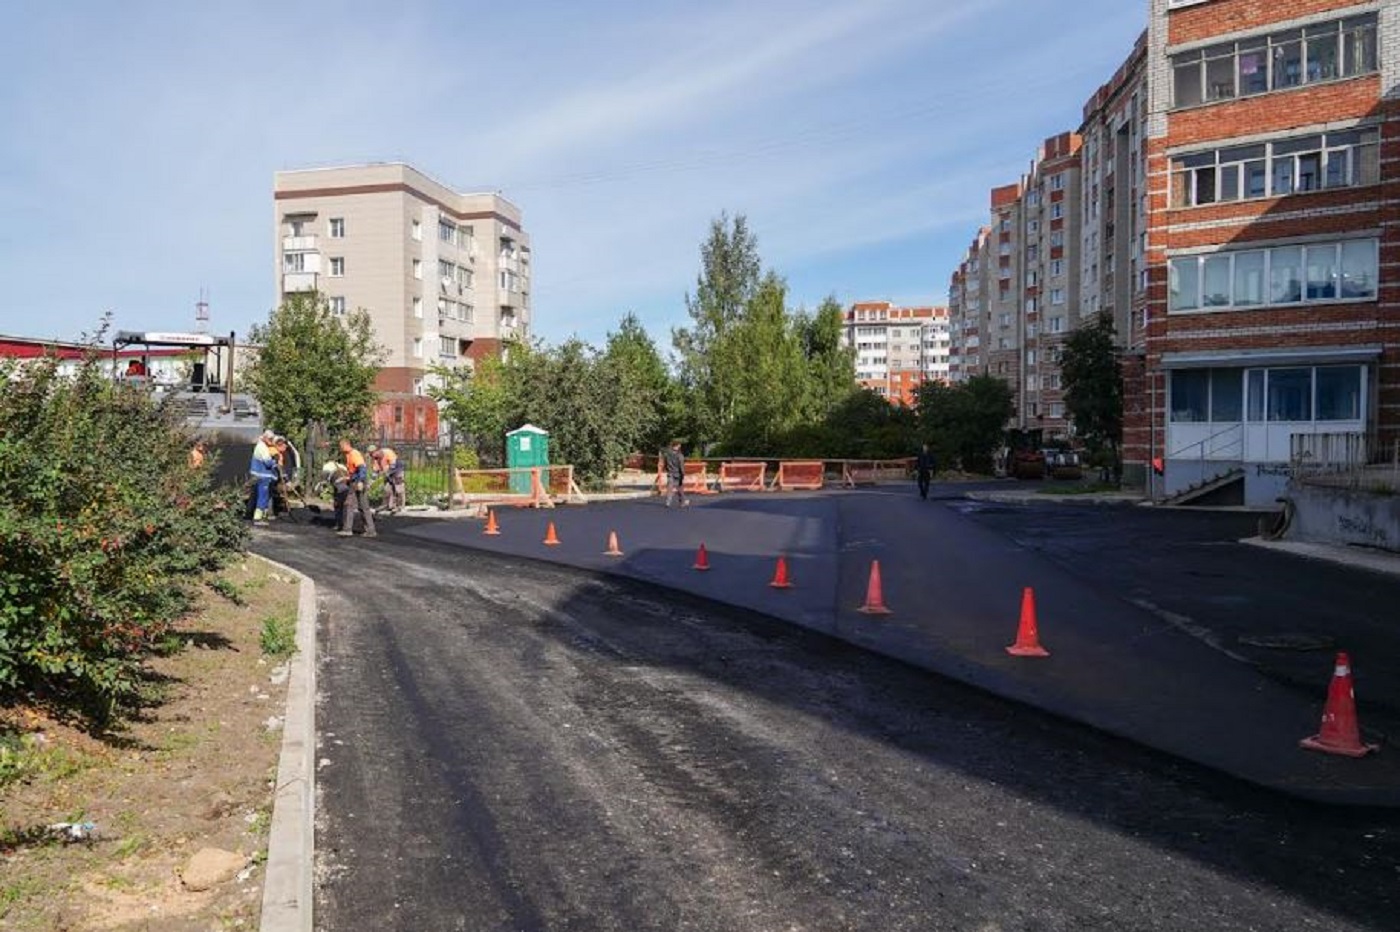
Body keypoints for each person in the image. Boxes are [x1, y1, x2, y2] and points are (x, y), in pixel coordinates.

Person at [337, 439, 377, 538]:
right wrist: (346, 478)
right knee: (361, 506)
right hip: (355, 481)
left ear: (346, 445)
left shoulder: (354, 454)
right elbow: (354, 471)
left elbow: (362, 468)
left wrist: (360, 481)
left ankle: (348, 529)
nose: (340, 449)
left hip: (358, 482)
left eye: (341, 446)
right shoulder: (349, 455)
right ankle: (370, 530)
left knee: (352, 504)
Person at [248, 429, 279, 523]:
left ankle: (262, 516)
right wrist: (275, 462)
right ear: (265, 438)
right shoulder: (262, 447)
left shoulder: (261, 446)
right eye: (270, 439)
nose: (271, 440)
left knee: (261, 496)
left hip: (260, 475)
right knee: (262, 496)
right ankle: (258, 518)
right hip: (262, 476)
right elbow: (268, 463)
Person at [369, 444, 406, 514]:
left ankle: (399, 506)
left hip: (397, 471)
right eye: (371, 455)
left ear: (377, 451)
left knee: (398, 489)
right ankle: (388, 505)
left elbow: (393, 465)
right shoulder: (375, 459)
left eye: (373, 453)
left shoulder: (388, 452)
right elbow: (375, 472)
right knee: (387, 489)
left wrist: (388, 472)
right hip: (387, 473)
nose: (373, 456)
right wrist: (370, 483)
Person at [662, 440, 689, 508]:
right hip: (678, 474)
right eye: (679, 445)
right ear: (677, 446)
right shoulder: (680, 455)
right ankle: (682, 502)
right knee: (680, 488)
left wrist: (667, 470)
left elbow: (665, 464)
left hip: (670, 473)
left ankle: (668, 502)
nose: (680, 447)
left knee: (669, 488)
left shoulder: (667, 454)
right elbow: (681, 466)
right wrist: (683, 474)